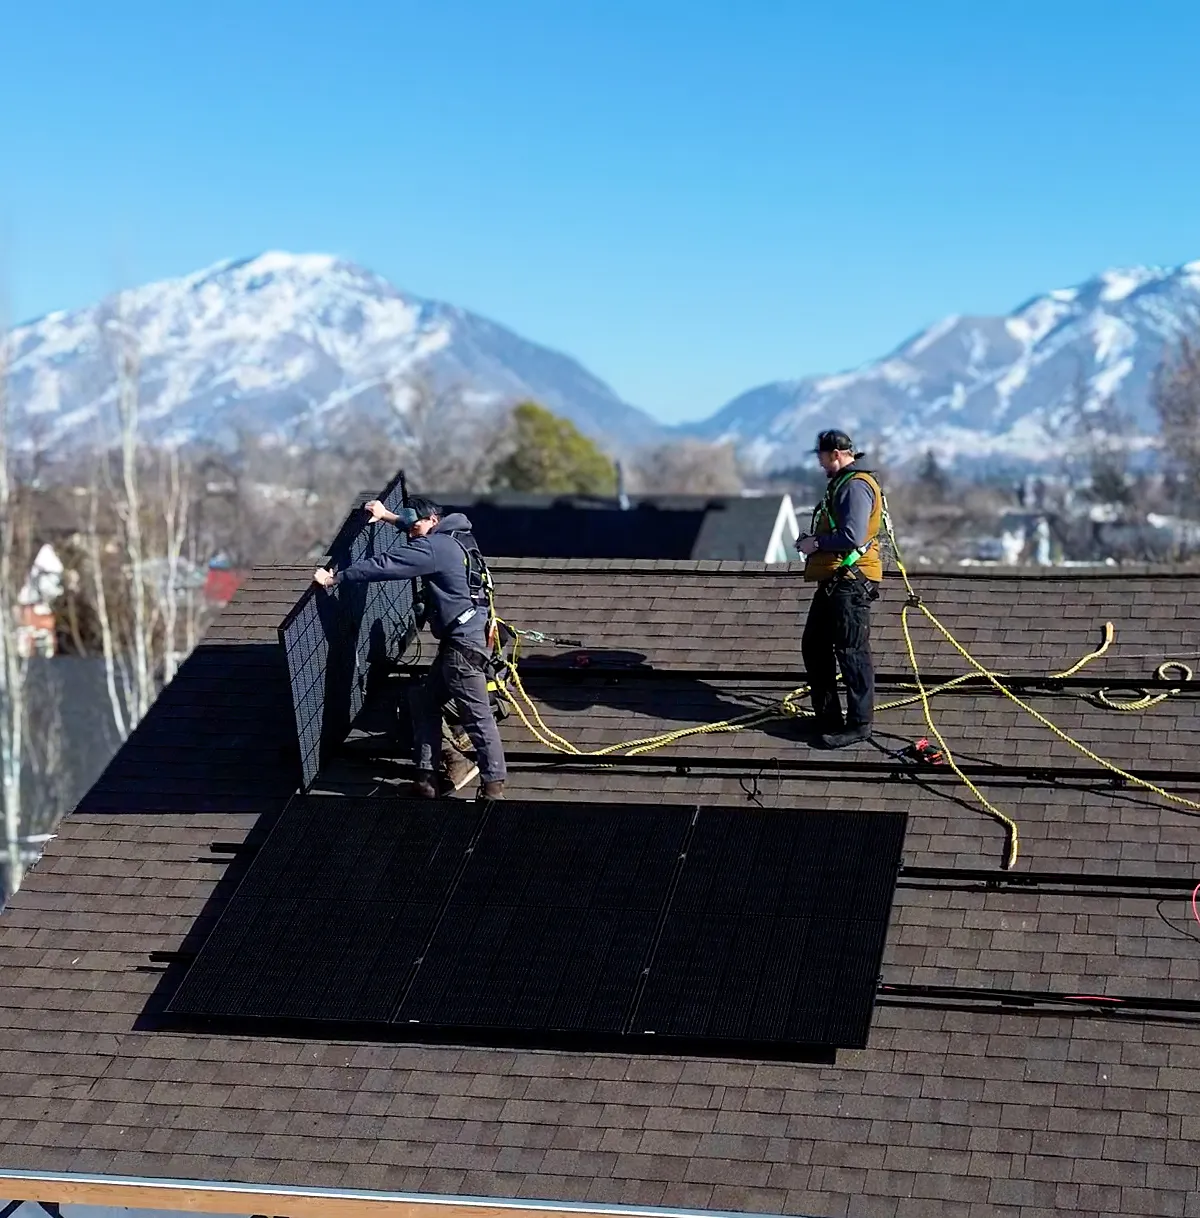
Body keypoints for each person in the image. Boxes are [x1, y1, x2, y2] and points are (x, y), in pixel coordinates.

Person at [313, 496, 506, 799]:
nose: (410, 533)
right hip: (470, 642)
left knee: (478, 717)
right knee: (423, 700)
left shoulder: (433, 548)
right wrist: (387, 515)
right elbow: (417, 525)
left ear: (432, 521)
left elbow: (387, 565)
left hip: (462, 650)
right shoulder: (459, 539)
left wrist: (336, 578)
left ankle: (494, 790)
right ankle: (427, 781)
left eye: (414, 526)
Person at [794, 430, 884, 749]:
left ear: (835, 454)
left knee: (851, 651)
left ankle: (859, 724)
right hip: (836, 580)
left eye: (821, 455)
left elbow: (853, 535)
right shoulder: (842, 485)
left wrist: (814, 543)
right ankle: (828, 717)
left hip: (850, 581)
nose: (819, 462)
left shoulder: (856, 486)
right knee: (815, 646)